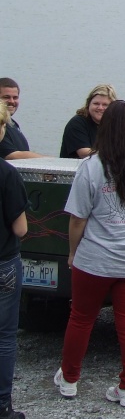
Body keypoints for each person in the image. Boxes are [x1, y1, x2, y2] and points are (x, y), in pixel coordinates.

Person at [54, 101, 125, 409]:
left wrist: (72, 253)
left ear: (104, 130)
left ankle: (69, 381)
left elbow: (78, 217)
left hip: (95, 260)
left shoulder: (91, 166)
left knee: (81, 318)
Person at [0, 103, 29, 419]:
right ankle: (3, 406)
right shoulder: (6, 173)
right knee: (5, 336)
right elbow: (20, 228)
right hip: (3, 263)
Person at [59, 84, 117, 159]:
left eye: (105, 105)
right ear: (88, 104)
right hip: (76, 169)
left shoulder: (114, 125)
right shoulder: (77, 123)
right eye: (96, 103)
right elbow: (84, 153)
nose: (100, 108)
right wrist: (117, 153)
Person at [0, 78, 44, 160]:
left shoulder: (12, 124)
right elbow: (12, 155)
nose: (12, 101)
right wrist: (53, 161)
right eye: (6, 97)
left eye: (15, 97)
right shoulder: (1, 124)